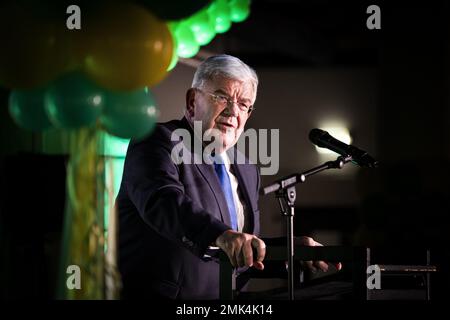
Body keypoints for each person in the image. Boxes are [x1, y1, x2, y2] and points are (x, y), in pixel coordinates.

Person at [116, 54, 339, 300]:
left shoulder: (246, 168)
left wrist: (290, 250)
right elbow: (164, 201)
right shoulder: (158, 142)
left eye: (244, 104)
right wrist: (221, 235)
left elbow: (237, 247)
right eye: (222, 97)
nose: (233, 111)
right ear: (192, 101)